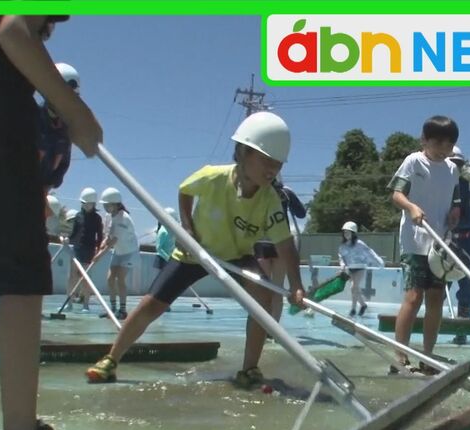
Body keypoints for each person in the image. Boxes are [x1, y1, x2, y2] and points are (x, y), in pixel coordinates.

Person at [85, 111, 306, 388]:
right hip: (194, 253)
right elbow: (184, 190)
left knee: (262, 297)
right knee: (151, 305)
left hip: (237, 257)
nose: (272, 169)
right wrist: (188, 230)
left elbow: (285, 245)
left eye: (277, 164)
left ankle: (249, 368)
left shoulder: (270, 200)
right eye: (266, 161)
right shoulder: (212, 177)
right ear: (244, 152)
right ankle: (111, 360)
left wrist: (296, 284)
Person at [0, 15, 102, 430]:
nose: (57, 22)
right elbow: (13, 28)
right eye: (49, 26)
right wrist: (76, 112)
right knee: (23, 280)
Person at [388, 115, 461, 374]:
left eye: (449, 144)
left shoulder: (453, 169)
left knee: (436, 298)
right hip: (414, 240)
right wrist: (411, 207)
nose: (444, 148)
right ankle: (400, 355)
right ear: (424, 140)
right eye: (438, 142)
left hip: (439, 244)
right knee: (413, 295)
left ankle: (427, 356)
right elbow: (396, 194)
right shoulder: (413, 161)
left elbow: (454, 201)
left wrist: (454, 214)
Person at [253, 178, 307, 322]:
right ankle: (274, 328)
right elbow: (301, 213)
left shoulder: (255, 188)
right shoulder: (286, 192)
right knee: (278, 289)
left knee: (262, 289)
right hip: (281, 242)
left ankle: (262, 327)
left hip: (261, 243)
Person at [446, 146, 470, 345]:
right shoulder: (438, 190)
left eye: (457, 164)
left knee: (468, 285)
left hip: (466, 242)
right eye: (451, 163)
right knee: (439, 285)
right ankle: (434, 325)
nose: (454, 167)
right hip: (444, 241)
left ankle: (462, 330)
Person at [97, 187, 138, 320]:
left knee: (120, 279)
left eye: (107, 204)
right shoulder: (109, 217)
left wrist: (99, 256)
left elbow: (113, 240)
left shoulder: (124, 218)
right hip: (118, 251)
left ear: (115, 204)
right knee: (110, 279)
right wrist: (102, 243)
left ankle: (122, 310)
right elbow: (108, 236)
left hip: (129, 252)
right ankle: (112, 309)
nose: (104, 207)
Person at [38, 62, 77, 193]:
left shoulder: (66, 134)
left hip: (36, 195)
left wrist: (43, 193)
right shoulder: (30, 118)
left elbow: (62, 167)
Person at [67, 187, 104, 312]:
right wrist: (67, 239)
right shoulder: (78, 216)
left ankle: (86, 305)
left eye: (88, 203)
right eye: (83, 203)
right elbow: (74, 233)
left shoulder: (97, 218)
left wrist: (98, 250)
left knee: (85, 278)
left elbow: (100, 236)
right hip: (77, 249)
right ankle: (69, 303)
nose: (85, 205)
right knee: (72, 276)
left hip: (89, 250)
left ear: (93, 204)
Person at [337, 221, 385, 317]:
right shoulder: (342, 246)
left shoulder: (360, 244)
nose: (346, 234)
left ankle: (353, 309)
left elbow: (370, 252)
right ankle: (362, 305)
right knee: (355, 289)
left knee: (353, 287)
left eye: (348, 232)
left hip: (360, 268)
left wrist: (379, 262)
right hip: (350, 268)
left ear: (353, 233)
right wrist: (342, 265)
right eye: (345, 232)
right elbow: (341, 257)